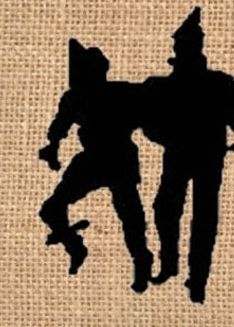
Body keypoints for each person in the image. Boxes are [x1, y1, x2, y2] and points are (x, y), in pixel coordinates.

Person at [139, 8, 234, 304]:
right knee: (171, 209)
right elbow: (148, 121)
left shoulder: (217, 84)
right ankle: (175, 266)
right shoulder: (169, 86)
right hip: (186, 155)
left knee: (200, 216)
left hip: (203, 157)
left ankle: (196, 277)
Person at [37, 39, 153, 293]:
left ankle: (141, 259)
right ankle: (75, 246)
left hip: (118, 157)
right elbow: (59, 126)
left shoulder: (120, 93)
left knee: (129, 214)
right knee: (51, 209)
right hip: (94, 159)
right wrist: (52, 148)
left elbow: (150, 107)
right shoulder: (77, 97)